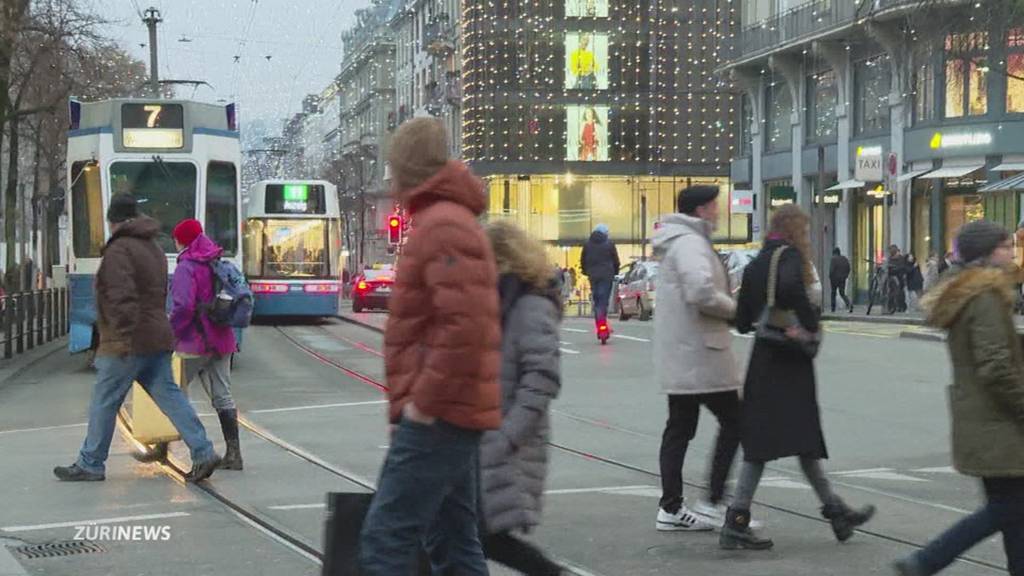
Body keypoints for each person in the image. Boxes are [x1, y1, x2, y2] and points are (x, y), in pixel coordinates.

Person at [359, 118, 501, 576]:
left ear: (407, 166)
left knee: (387, 535)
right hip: (450, 410)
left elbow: (465, 326)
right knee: (451, 539)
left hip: (440, 413)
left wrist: (424, 404)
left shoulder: (442, 226)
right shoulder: (444, 221)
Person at [723, 204, 875, 550]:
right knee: (803, 439)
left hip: (762, 362)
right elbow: (792, 287)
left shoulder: (757, 263)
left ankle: (743, 520)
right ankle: (834, 513)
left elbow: (743, 320)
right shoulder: (789, 256)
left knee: (762, 445)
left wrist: (765, 319)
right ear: (796, 231)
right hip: (789, 364)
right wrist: (809, 323)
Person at [54, 195, 220, 482]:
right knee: (170, 396)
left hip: (127, 341)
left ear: (113, 221)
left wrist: (120, 335)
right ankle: (203, 451)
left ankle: (91, 462)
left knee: (104, 401)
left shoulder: (120, 250)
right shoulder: (153, 246)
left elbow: (120, 297)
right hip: (156, 336)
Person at [895, 221, 1024, 576]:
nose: (1012, 253)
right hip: (999, 422)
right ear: (986, 254)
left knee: (1011, 510)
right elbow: (995, 366)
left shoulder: (973, 296)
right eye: (1005, 247)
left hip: (984, 418)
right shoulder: (985, 298)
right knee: (1009, 508)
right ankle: (928, 560)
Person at [652, 185, 744, 531]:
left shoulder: (677, 241)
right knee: (737, 420)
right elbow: (701, 291)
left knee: (679, 428)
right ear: (702, 210)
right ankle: (711, 501)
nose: (719, 213)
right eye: (715, 207)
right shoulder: (690, 243)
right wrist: (734, 311)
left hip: (685, 354)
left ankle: (672, 507)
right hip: (700, 354)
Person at [476, 220, 564, 576]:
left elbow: (541, 378)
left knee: (483, 534)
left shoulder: (528, 305)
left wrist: (507, 435)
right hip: (492, 435)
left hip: (510, 441)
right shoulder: (502, 301)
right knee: (472, 534)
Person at [170, 219, 243, 471]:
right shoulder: (216, 260)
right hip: (223, 338)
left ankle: (187, 448)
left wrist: (172, 333)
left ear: (182, 240)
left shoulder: (186, 267)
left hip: (195, 341)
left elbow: (183, 307)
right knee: (223, 395)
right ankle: (234, 454)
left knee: (172, 393)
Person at [581, 224, 620, 331]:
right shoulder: (609, 244)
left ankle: (600, 323)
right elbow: (615, 260)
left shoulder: (587, 245)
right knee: (604, 299)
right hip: (607, 275)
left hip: (593, 275)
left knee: (597, 298)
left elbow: (583, 260)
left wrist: (585, 271)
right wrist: (616, 272)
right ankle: (603, 322)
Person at [828, 247, 853, 313]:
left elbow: (831, 270)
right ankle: (849, 304)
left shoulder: (833, 259)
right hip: (842, 279)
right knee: (842, 293)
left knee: (833, 293)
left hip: (834, 279)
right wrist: (846, 276)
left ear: (834, 253)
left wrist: (830, 277)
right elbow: (848, 268)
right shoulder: (844, 259)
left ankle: (833, 309)